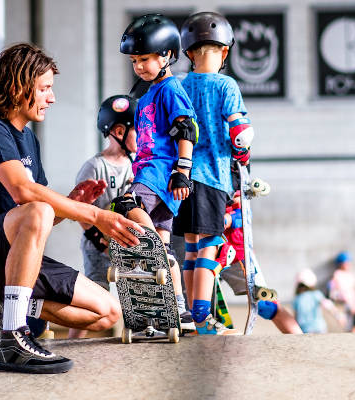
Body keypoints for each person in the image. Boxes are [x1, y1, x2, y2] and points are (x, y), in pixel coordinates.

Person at [0, 43, 144, 374]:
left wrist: (74, 202)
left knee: (106, 312)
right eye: (45, 88)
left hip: (11, 254)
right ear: (19, 87)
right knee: (37, 209)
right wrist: (96, 215)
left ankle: (5, 307)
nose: (52, 98)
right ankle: (13, 340)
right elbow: (24, 195)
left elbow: (45, 216)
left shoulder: (28, 139)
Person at [114, 14, 198, 330]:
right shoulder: (149, 93)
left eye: (145, 59)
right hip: (155, 176)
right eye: (135, 60)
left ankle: (147, 254)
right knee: (164, 243)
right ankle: (179, 310)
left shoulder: (170, 88)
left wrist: (182, 170)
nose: (138, 66)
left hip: (159, 172)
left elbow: (186, 127)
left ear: (166, 55)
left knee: (123, 205)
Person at [171, 12, 253, 335]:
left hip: (181, 176)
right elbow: (239, 132)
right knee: (211, 244)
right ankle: (202, 317)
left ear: (189, 53)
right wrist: (244, 154)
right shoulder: (226, 85)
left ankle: (192, 316)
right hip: (213, 177)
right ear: (225, 52)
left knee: (191, 246)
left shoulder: (178, 84)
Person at [67, 95, 137, 339]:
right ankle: (72, 342)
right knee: (95, 297)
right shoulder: (94, 166)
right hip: (99, 245)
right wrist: (97, 238)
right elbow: (79, 208)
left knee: (136, 293)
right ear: (119, 131)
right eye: (138, 130)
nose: (144, 136)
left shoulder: (137, 164)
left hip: (126, 243)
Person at [217, 191, 303, 334]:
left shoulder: (234, 174)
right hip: (205, 247)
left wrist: (229, 219)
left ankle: (300, 343)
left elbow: (244, 213)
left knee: (265, 305)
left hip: (236, 252)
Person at [293, 268, 345, 333]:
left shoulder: (297, 299)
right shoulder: (316, 294)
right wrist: (338, 316)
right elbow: (328, 305)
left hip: (304, 329)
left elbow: (295, 317)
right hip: (319, 327)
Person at [328, 251, 355, 322]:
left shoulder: (349, 275)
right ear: (340, 263)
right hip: (341, 304)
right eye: (346, 262)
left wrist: (354, 305)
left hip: (350, 305)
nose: (348, 264)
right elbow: (335, 291)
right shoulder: (337, 275)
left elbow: (351, 292)